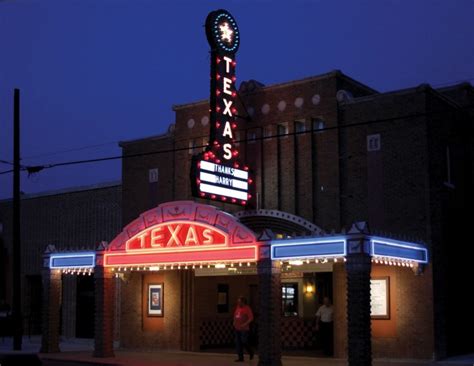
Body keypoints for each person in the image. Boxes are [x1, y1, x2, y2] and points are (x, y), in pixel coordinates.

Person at [233, 296, 254, 362]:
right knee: (238, 342)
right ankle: (240, 357)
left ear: (243, 302)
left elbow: (251, 318)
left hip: (244, 329)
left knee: (243, 341)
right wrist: (234, 322)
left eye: (239, 302)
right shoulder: (238, 307)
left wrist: (245, 324)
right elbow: (235, 315)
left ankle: (250, 351)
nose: (238, 303)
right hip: (237, 328)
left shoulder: (247, 308)